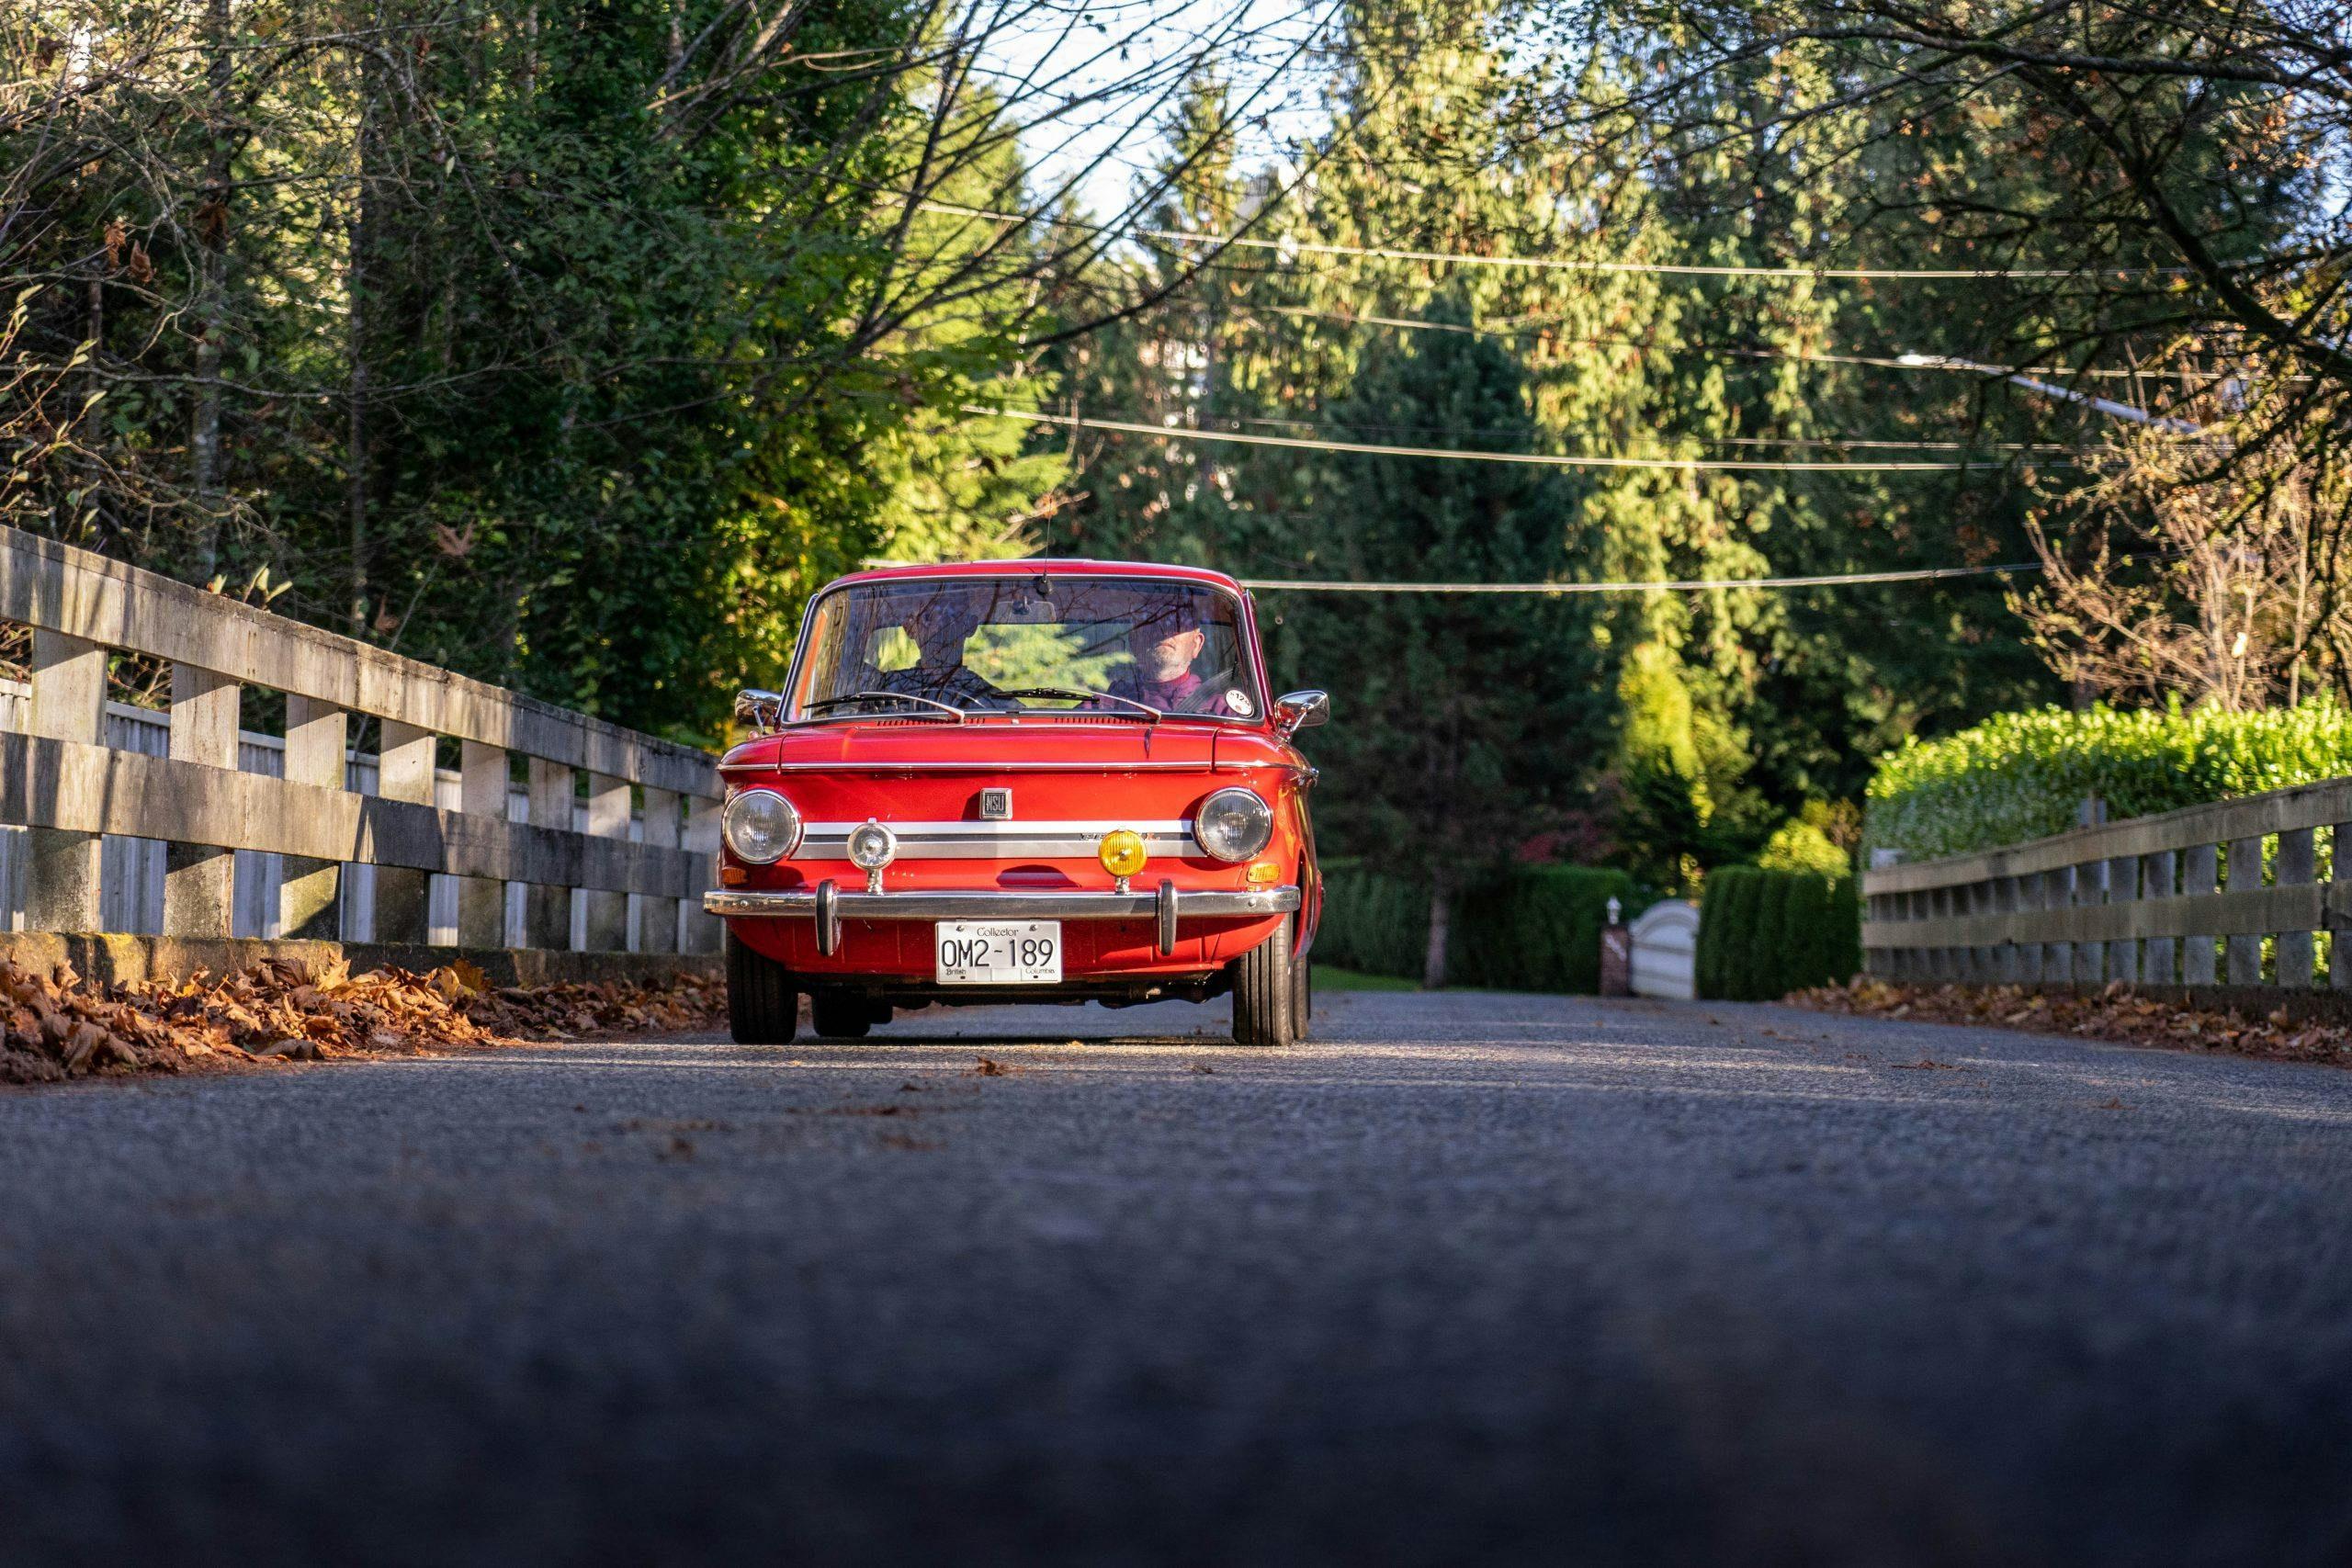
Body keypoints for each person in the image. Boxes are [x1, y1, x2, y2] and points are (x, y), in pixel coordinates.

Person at [873, 593, 1012, 709]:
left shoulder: (994, 704)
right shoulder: (883, 693)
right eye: (927, 617)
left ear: (971, 626)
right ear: (909, 627)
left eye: (954, 616)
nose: (940, 627)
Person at [1104, 605, 1243, 715]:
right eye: (1152, 623)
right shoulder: (1107, 703)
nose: (1164, 631)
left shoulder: (1223, 712)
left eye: (1176, 623)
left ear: (1196, 644)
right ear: (1134, 642)